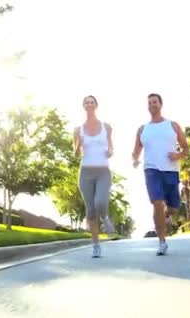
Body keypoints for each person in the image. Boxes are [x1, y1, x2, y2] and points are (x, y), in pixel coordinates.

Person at [132, 93, 189, 255]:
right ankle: (162, 242)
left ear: (160, 104)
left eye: (155, 102)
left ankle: (166, 213)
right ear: (147, 106)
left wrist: (178, 155)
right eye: (149, 102)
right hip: (151, 170)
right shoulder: (143, 129)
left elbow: (186, 148)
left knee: (173, 208)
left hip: (171, 171)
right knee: (157, 202)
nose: (152, 105)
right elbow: (135, 151)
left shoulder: (173, 125)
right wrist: (135, 160)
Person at [74, 95, 115, 258]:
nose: (89, 104)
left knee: (100, 202)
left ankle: (105, 217)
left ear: (96, 105)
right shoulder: (78, 129)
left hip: (103, 171)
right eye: (86, 102)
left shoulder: (107, 127)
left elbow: (111, 148)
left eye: (92, 102)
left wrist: (110, 152)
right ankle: (96, 245)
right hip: (85, 173)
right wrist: (79, 143)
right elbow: (76, 154)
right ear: (83, 106)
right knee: (90, 211)